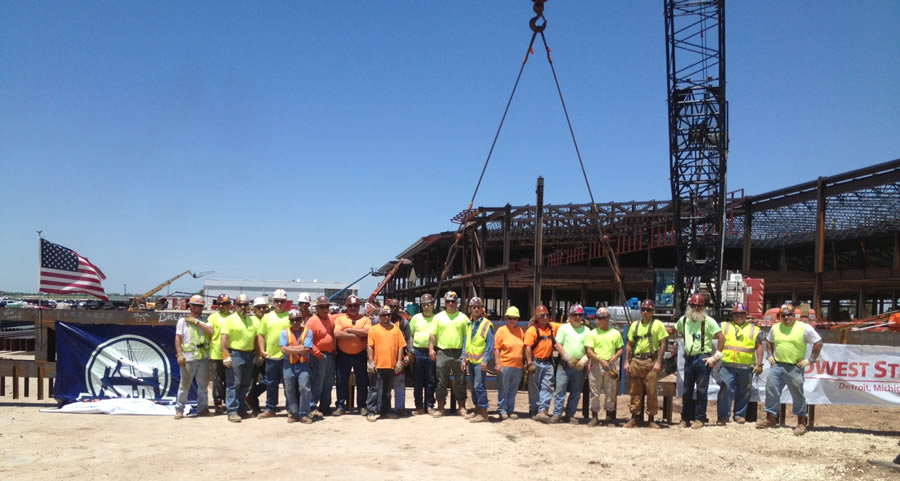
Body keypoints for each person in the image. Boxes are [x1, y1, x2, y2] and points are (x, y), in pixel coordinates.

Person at [757, 304, 823, 436]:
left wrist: (810, 360)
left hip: (795, 367)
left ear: (794, 315)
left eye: (789, 314)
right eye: (784, 315)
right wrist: (770, 355)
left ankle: (801, 423)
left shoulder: (804, 328)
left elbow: (818, 342)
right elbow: (769, 341)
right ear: (780, 317)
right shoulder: (775, 328)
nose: (787, 317)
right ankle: (770, 419)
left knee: (797, 394)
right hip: (778, 365)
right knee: (771, 390)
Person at [673, 293, 725, 429]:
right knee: (687, 390)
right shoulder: (683, 320)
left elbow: (721, 338)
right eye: (693, 305)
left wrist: (716, 356)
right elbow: (675, 330)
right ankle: (685, 418)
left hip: (702, 359)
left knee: (702, 390)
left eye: (698, 306)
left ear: (703, 307)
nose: (695, 308)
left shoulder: (709, 321)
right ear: (689, 306)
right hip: (689, 358)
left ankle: (700, 418)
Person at [623, 299, 668, 428]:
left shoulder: (658, 325)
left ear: (653, 311)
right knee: (634, 390)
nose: (645, 312)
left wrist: (659, 361)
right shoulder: (635, 325)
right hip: (636, 360)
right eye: (643, 309)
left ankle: (651, 418)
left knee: (651, 390)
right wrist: (626, 361)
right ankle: (634, 417)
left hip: (650, 361)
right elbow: (629, 345)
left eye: (648, 310)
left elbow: (663, 343)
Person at [716, 303, 764, 425]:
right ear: (732, 314)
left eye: (742, 313)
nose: (739, 316)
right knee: (725, 391)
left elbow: (759, 347)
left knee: (744, 392)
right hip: (727, 365)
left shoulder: (754, 329)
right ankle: (723, 416)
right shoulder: (724, 326)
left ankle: (739, 415)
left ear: (746, 315)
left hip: (746, 367)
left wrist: (759, 364)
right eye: (736, 313)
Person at [428, 291, 470, 417]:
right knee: (441, 381)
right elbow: (432, 334)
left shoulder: (463, 318)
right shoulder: (438, 317)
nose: (451, 304)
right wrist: (431, 348)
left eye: (453, 301)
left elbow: (467, 337)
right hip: (443, 352)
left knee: (461, 381)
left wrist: (466, 354)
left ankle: (461, 407)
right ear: (444, 303)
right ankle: (441, 408)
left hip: (459, 353)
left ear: (457, 302)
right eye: (448, 301)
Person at [550, 304, 592, 424]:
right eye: (575, 315)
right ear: (570, 315)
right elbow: (558, 344)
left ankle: (570, 414)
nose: (577, 317)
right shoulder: (564, 328)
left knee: (576, 391)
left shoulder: (587, 330)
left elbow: (589, 348)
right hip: (564, 364)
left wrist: (584, 360)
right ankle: (557, 414)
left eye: (579, 315)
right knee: (560, 389)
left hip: (580, 365)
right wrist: (567, 357)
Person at [174, 295, 214, 419]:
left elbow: (211, 331)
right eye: (196, 306)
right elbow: (178, 338)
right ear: (191, 306)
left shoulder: (205, 321)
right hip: (188, 358)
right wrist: (179, 354)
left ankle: (202, 409)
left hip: (202, 357)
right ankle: (179, 409)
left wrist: (197, 323)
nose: (199, 308)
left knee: (203, 386)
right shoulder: (182, 321)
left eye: (200, 306)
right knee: (184, 385)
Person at [366, 306, 407, 421]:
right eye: (384, 315)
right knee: (374, 389)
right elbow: (370, 346)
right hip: (377, 365)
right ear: (379, 316)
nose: (386, 317)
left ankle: (386, 410)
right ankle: (371, 411)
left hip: (391, 365)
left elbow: (400, 346)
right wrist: (370, 361)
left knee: (387, 390)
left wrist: (399, 361)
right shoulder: (374, 330)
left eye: (388, 315)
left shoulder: (395, 330)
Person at [255, 288, 291, 419]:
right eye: (277, 301)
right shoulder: (267, 317)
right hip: (271, 357)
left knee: (289, 385)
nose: (279, 304)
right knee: (271, 384)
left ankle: (291, 409)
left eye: (282, 301)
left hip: (287, 357)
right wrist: (262, 351)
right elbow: (261, 335)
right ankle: (270, 408)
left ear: (285, 302)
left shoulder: (289, 317)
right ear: (273, 302)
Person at [221, 294, 258, 422]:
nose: (243, 307)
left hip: (249, 355)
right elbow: (224, 339)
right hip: (235, 354)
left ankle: (241, 408)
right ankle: (232, 411)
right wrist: (226, 355)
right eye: (240, 304)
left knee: (244, 384)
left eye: (245, 304)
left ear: (249, 306)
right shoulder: (230, 320)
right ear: (235, 306)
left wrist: (258, 355)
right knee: (233, 384)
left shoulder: (251, 320)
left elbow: (255, 339)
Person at [584, 307, 623, 427]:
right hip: (597, 364)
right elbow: (589, 351)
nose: (598, 320)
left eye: (601, 318)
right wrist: (600, 361)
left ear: (607, 319)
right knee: (594, 392)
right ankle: (595, 417)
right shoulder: (592, 333)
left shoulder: (615, 333)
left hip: (610, 365)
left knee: (610, 392)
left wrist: (615, 357)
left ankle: (609, 418)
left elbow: (620, 349)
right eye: (597, 318)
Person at [333, 295, 371, 416]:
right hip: (343, 355)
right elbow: (337, 334)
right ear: (346, 306)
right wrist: (357, 335)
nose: (353, 308)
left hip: (360, 354)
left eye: (355, 305)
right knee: (341, 381)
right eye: (350, 306)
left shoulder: (365, 319)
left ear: (359, 306)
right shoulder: (340, 319)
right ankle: (340, 405)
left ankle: (362, 406)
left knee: (362, 381)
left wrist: (349, 330)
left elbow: (368, 332)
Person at [524, 305, 560, 423]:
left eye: (547, 315)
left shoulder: (552, 328)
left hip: (548, 362)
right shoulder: (532, 330)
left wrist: (582, 321)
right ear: (537, 318)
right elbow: (528, 348)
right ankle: (534, 409)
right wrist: (529, 363)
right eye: (542, 316)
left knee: (547, 387)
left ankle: (543, 410)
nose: (545, 318)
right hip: (536, 362)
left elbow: (566, 326)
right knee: (534, 387)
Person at [463, 297, 494, 423]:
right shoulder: (469, 324)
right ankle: (477, 410)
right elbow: (466, 342)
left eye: (478, 307)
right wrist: (463, 358)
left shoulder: (487, 324)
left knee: (479, 386)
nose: (476, 309)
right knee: (474, 387)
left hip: (480, 361)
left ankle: (484, 413)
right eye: (474, 307)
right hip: (471, 360)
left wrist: (485, 360)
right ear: (470, 309)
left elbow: (490, 345)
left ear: (482, 309)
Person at [281, 308, 314, 424]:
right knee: (289, 389)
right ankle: (293, 413)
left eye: (297, 320)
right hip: (288, 365)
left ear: (301, 320)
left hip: (303, 364)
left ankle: (304, 413)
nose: (295, 322)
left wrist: (292, 349)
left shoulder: (308, 332)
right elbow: (283, 349)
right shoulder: (284, 333)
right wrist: (299, 348)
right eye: (293, 320)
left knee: (304, 388)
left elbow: (306, 350)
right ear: (290, 321)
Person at [493, 306, 525, 420]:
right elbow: (496, 348)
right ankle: (502, 409)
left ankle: (510, 410)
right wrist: (497, 363)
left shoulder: (520, 331)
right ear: (507, 318)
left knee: (513, 390)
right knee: (503, 389)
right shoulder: (501, 331)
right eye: (510, 318)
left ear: (518, 319)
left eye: (514, 318)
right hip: (505, 365)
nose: (512, 320)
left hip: (517, 366)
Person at [307, 295, 337, 417]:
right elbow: (307, 341)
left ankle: (325, 406)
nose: (325, 309)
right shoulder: (312, 321)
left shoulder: (330, 318)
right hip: (318, 356)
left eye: (327, 307)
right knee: (317, 382)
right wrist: (317, 353)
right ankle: (312, 406)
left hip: (330, 355)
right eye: (322, 307)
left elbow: (341, 317)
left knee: (328, 382)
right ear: (317, 308)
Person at [409, 293, 438, 415]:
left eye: (429, 304)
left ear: (433, 305)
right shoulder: (416, 318)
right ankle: (419, 406)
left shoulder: (437, 318)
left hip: (432, 352)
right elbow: (410, 335)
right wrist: (411, 350)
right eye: (424, 304)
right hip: (418, 352)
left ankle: (430, 405)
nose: (426, 307)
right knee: (418, 381)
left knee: (431, 380)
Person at [207, 294, 233, 415]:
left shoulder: (233, 317)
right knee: (217, 380)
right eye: (219, 304)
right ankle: (218, 403)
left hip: (230, 353)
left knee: (230, 380)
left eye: (224, 304)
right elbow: (209, 333)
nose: (221, 306)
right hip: (216, 353)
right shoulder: (213, 317)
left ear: (229, 305)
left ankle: (229, 402)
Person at [245, 296, 269, 416]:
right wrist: (259, 354)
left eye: (264, 307)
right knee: (251, 381)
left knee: (269, 379)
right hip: (254, 354)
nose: (262, 309)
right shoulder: (250, 320)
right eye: (259, 307)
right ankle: (254, 407)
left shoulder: (268, 319)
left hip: (267, 353)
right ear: (254, 308)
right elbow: (254, 338)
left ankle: (252, 396)